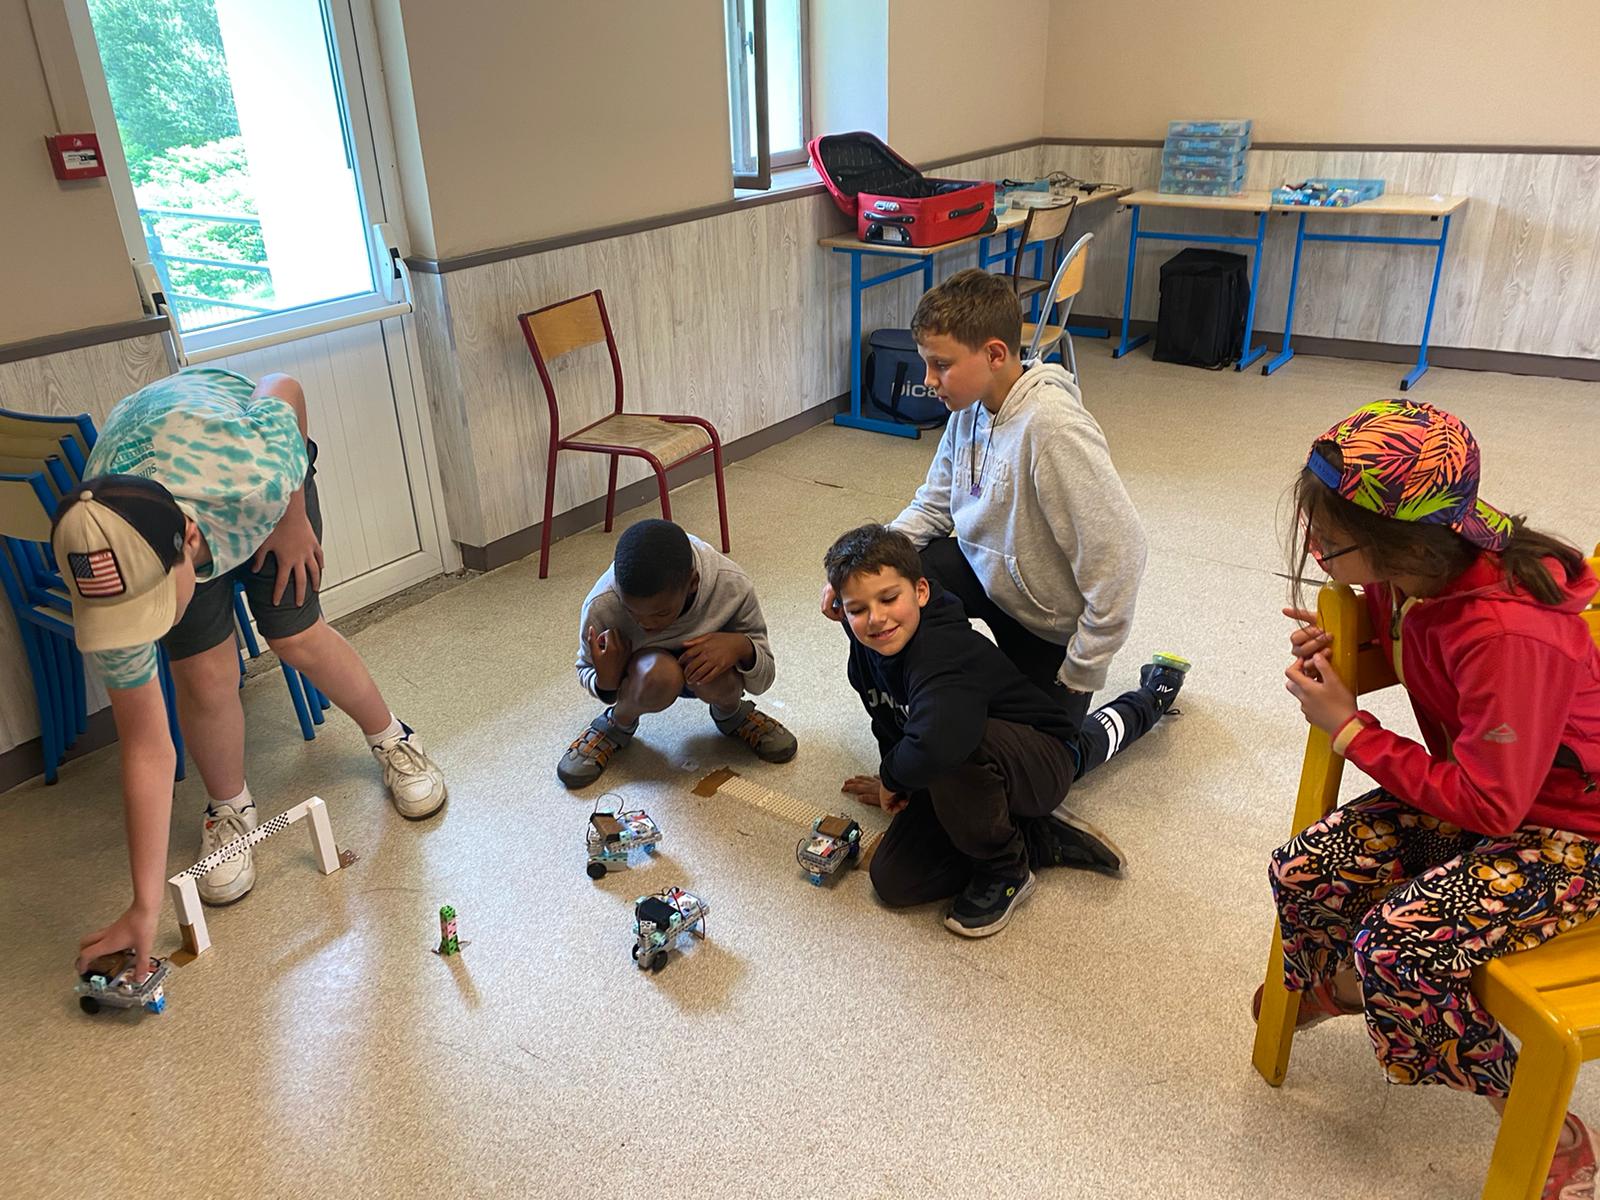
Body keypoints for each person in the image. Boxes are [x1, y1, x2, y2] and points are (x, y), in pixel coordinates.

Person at [1269, 399, 1600, 1193]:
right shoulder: (1428, 567)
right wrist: (1359, 644)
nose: (1315, 552)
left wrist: (1351, 728)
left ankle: (1537, 1116)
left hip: (1570, 837)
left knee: (1398, 946)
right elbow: (1433, 663)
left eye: (1330, 543)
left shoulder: (1509, 633)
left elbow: (1491, 809)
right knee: (1305, 868)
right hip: (1494, 795)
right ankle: (1349, 988)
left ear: (1396, 541)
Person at [53, 367, 446, 980]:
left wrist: (291, 509)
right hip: (160, 509)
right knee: (204, 674)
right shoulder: (108, 578)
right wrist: (144, 905)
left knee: (296, 635)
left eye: (154, 603)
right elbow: (147, 749)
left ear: (187, 541)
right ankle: (228, 808)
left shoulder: (250, 468)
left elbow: (283, 386)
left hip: (253, 490)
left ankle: (396, 739)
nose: (145, 626)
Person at [825, 523, 1189, 937]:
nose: (876, 618)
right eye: (857, 608)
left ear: (921, 592)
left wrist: (895, 777)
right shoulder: (866, 648)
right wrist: (901, 783)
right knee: (894, 880)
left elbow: (940, 741)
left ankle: (1006, 867)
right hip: (977, 767)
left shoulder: (941, 650)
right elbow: (887, 717)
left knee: (971, 747)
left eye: (889, 598)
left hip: (1038, 753)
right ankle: (1036, 839)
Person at [822, 267, 1146, 726]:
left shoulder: (1054, 430)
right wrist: (851, 576)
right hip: (984, 576)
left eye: (942, 364)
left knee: (1043, 772)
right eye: (926, 363)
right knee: (872, 587)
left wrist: (1085, 663)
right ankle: (911, 718)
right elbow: (932, 506)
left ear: (994, 354)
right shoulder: (968, 408)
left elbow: (1121, 553)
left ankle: (1145, 701)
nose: (929, 380)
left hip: (1044, 622)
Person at [559, 518, 796, 788]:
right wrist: (606, 682)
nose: (647, 625)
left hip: (708, 675)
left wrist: (741, 647)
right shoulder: (604, 603)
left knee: (713, 671)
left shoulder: (730, 585)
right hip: (644, 676)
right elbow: (585, 667)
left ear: (693, 583)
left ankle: (732, 713)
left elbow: (764, 678)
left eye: (661, 613)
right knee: (659, 674)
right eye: (632, 612)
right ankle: (617, 724)